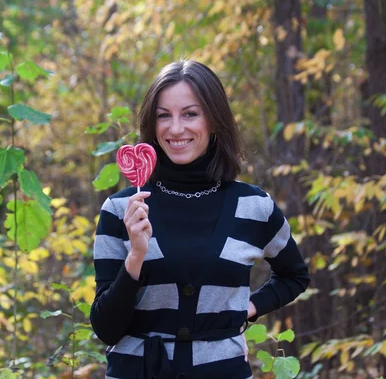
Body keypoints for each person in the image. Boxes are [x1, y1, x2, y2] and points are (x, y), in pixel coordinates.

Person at [90, 60, 310, 379]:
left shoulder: (253, 205)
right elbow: (106, 328)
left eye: (190, 114)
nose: (176, 128)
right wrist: (136, 256)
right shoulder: (122, 209)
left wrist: (247, 309)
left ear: (215, 120)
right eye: (164, 115)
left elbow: (295, 276)